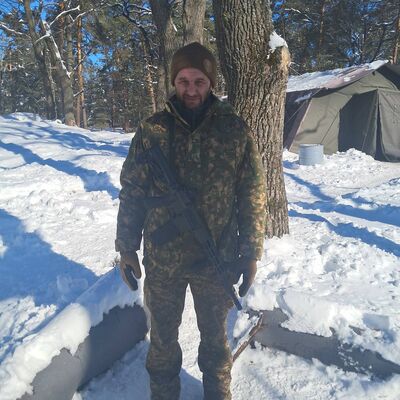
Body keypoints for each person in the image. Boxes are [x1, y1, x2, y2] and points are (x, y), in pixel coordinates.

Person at [115, 42, 266, 400]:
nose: (191, 89)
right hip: (163, 259)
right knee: (162, 341)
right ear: (174, 81)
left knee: (215, 341)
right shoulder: (152, 130)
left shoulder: (234, 129)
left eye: (199, 81)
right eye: (183, 81)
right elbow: (132, 191)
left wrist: (251, 252)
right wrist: (127, 247)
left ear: (211, 82)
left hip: (217, 258)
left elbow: (252, 193)